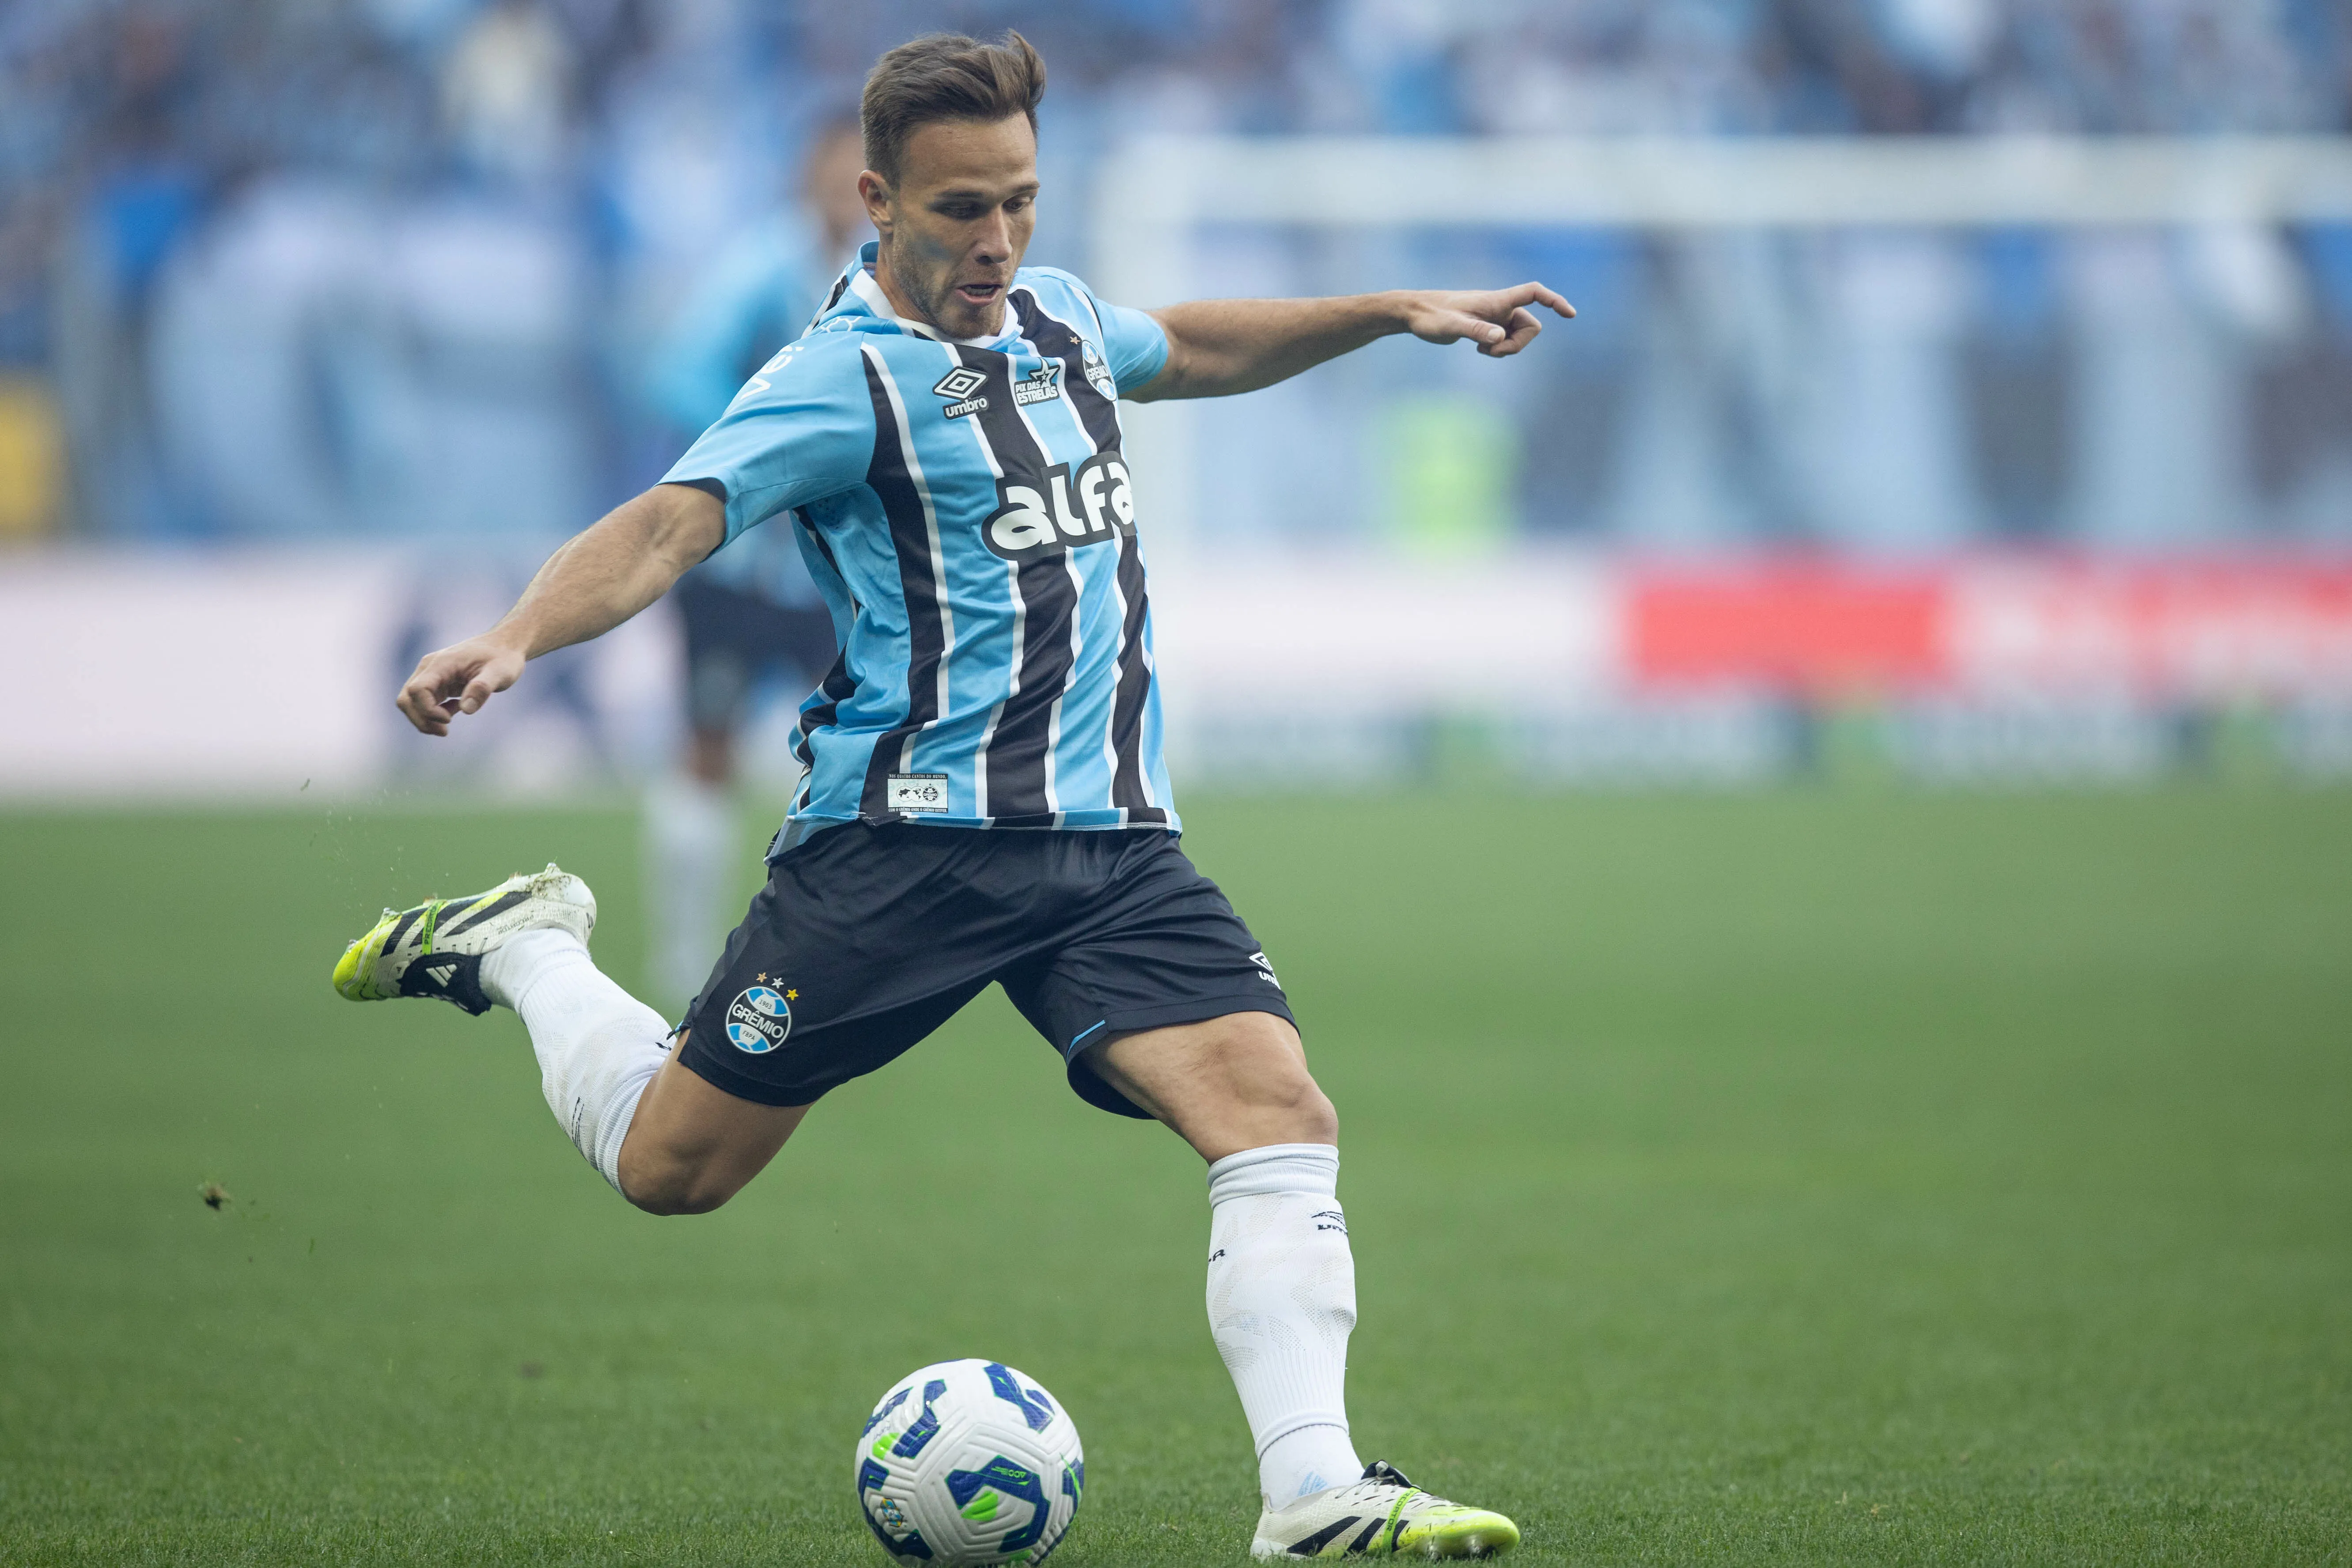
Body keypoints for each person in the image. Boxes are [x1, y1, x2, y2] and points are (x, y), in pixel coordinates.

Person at [336, 31, 1570, 1560]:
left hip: (1113, 845)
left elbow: (1185, 347)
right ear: (877, 198)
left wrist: (1389, 314)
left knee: (1275, 1110)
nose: (997, 242)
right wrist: (517, 633)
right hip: (899, 852)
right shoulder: (837, 377)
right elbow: (668, 525)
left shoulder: (1054, 318)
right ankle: (528, 944)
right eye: (961, 211)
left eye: (1020, 203)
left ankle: (1313, 1490)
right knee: (674, 1168)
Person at [641, 118, 866, 1007]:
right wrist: (768, 445)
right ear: (805, 171)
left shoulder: (891, 277)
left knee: (856, 757)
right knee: (707, 750)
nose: (848, 180)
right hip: (737, 567)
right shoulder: (760, 266)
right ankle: (684, 957)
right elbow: (675, 374)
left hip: (837, 571)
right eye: (834, 162)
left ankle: (836, 954)